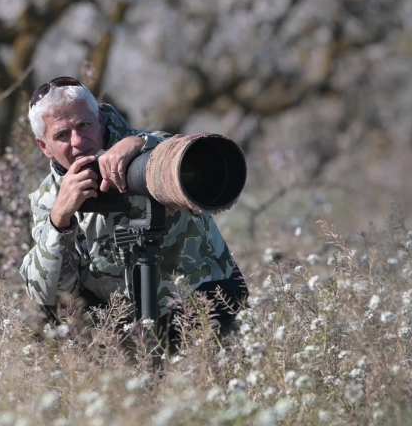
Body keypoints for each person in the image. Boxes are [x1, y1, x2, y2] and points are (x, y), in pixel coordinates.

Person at [18, 76, 248, 350]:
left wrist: (138, 143)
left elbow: (182, 152)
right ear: (45, 147)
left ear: (100, 120)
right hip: (120, 326)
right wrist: (60, 220)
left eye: (84, 125)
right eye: (61, 135)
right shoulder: (47, 199)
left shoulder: (147, 146)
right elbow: (46, 292)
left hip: (202, 301)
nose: (78, 141)